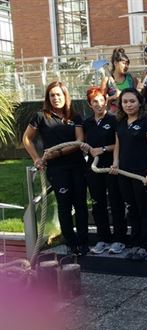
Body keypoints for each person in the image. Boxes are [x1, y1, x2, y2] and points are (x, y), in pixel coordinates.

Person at [22, 81, 89, 256]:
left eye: (59, 94)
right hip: (57, 170)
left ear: (65, 96)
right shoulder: (40, 116)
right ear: (47, 98)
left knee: (80, 204)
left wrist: (56, 153)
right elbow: (26, 139)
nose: (55, 98)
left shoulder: (76, 117)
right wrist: (36, 158)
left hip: (77, 166)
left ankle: (84, 242)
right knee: (64, 205)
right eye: (52, 95)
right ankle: (71, 242)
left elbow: (79, 142)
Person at [110, 88, 147, 260]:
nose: (128, 105)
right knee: (131, 208)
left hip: (141, 173)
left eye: (132, 101)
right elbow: (118, 145)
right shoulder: (121, 123)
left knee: (144, 207)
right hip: (124, 172)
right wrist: (115, 162)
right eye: (125, 102)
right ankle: (136, 242)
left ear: (139, 102)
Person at [80, 87, 127, 255]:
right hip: (93, 168)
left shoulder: (115, 120)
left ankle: (119, 239)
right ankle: (103, 239)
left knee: (116, 202)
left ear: (106, 100)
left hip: (112, 167)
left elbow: (119, 144)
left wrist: (103, 149)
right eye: (95, 101)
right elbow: (84, 144)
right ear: (89, 104)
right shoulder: (87, 123)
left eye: (101, 100)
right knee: (98, 204)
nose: (99, 104)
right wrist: (86, 148)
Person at [101, 47, 139, 114]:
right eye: (124, 63)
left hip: (130, 115)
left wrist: (141, 90)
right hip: (113, 116)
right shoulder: (107, 80)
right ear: (115, 63)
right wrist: (112, 97)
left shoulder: (131, 78)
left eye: (128, 64)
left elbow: (138, 98)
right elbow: (101, 104)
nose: (126, 66)